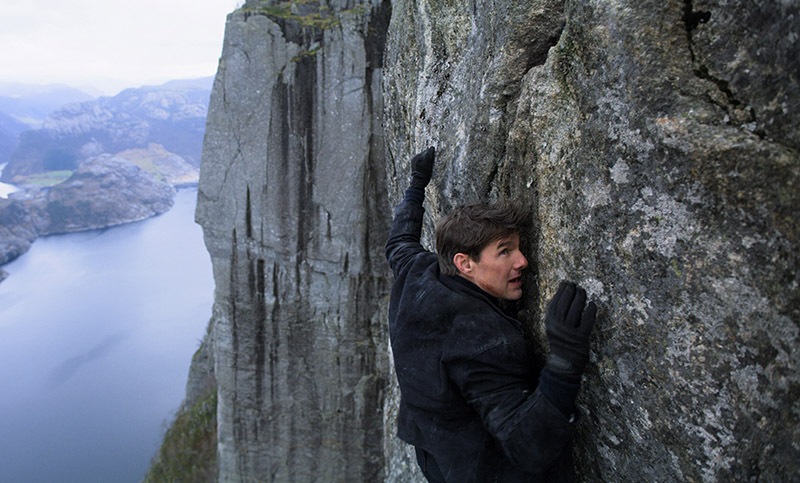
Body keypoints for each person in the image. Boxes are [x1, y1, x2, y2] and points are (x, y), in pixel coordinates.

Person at [385, 147, 597, 482]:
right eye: (504, 252)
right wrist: (565, 363)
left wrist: (416, 185)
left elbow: (398, 243)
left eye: (518, 247)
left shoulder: (418, 272)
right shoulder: (484, 340)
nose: (522, 261)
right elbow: (527, 445)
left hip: (434, 453)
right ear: (464, 263)